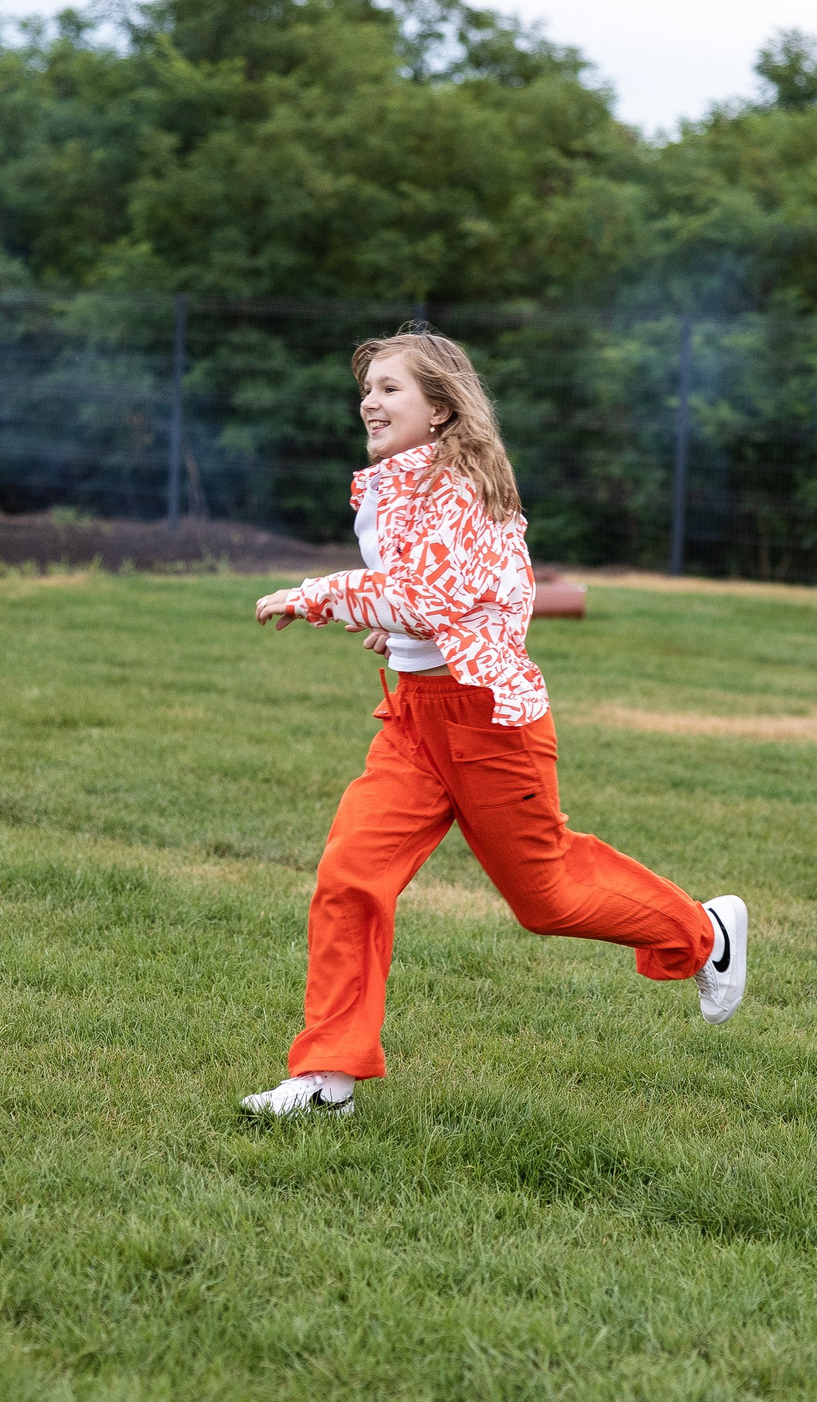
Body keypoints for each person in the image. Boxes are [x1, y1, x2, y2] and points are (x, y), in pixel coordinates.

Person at [241, 328, 747, 1118]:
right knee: (351, 875)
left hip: (486, 721)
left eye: (390, 388)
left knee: (544, 899)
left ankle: (704, 932)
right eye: (366, 388)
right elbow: (458, 592)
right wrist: (402, 630)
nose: (369, 401)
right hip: (413, 719)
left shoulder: (460, 487)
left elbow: (426, 593)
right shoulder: (399, 484)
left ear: (440, 409)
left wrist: (316, 594)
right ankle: (326, 1076)